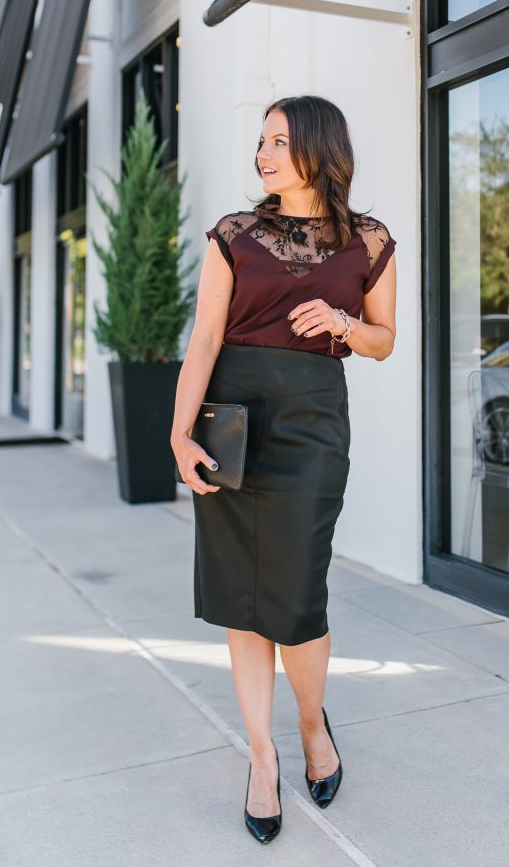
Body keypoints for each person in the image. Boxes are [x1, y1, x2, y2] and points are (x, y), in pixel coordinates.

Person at [171, 94, 397, 844]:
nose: (262, 154)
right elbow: (204, 339)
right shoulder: (234, 235)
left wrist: (342, 324)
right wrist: (179, 435)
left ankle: (311, 725)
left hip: (311, 423)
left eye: (278, 141)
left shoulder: (369, 241)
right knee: (243, 596)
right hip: (232, 420)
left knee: (298, 594)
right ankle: (261, 758)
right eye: (260, 141)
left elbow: (383, 341)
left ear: (318, 150)